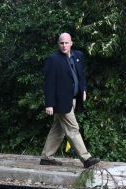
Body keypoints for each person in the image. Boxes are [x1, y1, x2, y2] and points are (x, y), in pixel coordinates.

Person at [40, 32, 100, 169]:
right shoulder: (53, 59)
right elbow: (48, 83)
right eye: (61, 43)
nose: (64, 45)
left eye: (66, 42)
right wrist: (49, 103)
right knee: (73, 129)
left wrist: (83, 89)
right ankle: (86, 158)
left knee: (58, 129)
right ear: (58, 44)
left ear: (71, 43)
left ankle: (46, 157)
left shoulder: (78, 56)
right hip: (60, 101)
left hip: (73, 99)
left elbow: (81, 75)